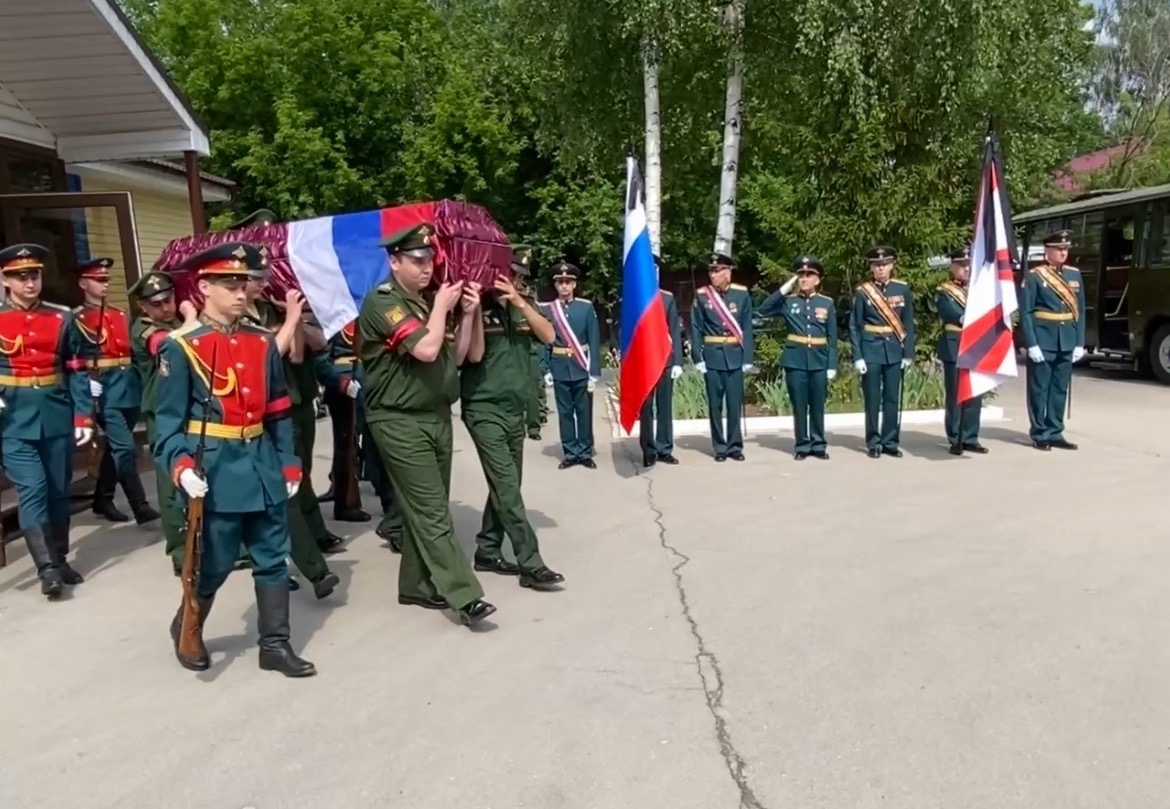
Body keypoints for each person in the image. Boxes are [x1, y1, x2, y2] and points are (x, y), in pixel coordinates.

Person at [155, 241, 315, 677]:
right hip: (216, 467)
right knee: (217, 561)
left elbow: (279, 409)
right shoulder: (181, 347)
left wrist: (289, 462)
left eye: (244, 283)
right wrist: (182, 467)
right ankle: (188, 622)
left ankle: (275, 645)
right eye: (230, 284)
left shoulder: (262, 342)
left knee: (272, 556)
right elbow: (166, 426)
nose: (241, 292)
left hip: (262, 461)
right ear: (204, 286)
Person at [358, 222, 495, 627]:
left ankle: (416, 585)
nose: (426, 268)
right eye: (417, 261)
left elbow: (455, 358)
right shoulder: (384, 302)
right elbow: (426, 348)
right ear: (394, 261)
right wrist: (441, 308)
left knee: (424, 507)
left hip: (434, 416)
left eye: (430, 260)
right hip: (398, 420)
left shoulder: (420, 304)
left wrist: (467, 315)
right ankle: (465, 596)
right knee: (434, 511)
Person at [461, 246, 564, 590]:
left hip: (514, 410)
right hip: (484, 407)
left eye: (520, 276)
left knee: (507, 485)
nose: (515, 280)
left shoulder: (524, 306)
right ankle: (531, 563)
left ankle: (487, 549)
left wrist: (520, 303)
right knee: (507, 487)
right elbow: (469, 355)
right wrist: (474, 307)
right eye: (511, 273)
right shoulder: (477, 304)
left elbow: (549, 335)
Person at [241, 255, 340, 598]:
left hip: (283, 405)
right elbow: (265, 355)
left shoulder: (268, 310)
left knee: (290, 485)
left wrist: (289, 317)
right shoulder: (233, 317)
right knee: (276, 494)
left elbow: (296, 354)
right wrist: (292, 318)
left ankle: (289, 562)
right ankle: (302, 567)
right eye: (256, 277)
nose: (262, 283)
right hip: (250, 415)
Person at [0, 243, 92, 597]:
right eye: (20, 276)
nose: (29, 282)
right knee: (33, 489)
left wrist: (83, 416)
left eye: (34, 275)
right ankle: (47, 568)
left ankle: (60, 556)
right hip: (13, 419)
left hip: (56, 414)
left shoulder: (61, 317)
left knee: (57, 491)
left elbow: (77, 368)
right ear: (5, 280)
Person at [72, 257, 160, 525]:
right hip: (104, 389)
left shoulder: (120, 314)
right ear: (83, 283)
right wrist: (87, 383)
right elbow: (73, 357)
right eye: (98, 280)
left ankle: (103, 498)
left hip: (128, 386)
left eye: (106, 280)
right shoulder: (76, 318)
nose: (104, 284)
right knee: (124, 449)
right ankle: (140, 507)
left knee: (114, 447)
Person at [129, 271, 192, 575]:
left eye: (168, 299)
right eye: (157, 304)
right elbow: (167, 345)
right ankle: (181, 553)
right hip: (163, 414)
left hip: (190, 409)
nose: (165, 307)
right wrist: (194, 320)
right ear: (144, 307)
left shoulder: (179, 324)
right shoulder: (144, 327)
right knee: (171, 485)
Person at [758, 255, 838, 460]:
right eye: (801, 275)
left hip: (819, 360)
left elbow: (832, 336)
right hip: (795, 361)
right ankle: (802, 445)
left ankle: (818, 444)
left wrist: (832, 364)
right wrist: (786, 287)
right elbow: (764, 309)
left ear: (817, 280)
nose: (804, 278)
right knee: (800, 405)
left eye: (809, 275)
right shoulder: (789, 302)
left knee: (818, 405)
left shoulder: (826, 303)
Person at [1020, 229, 1084, 451]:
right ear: (1047, 252)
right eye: (1059, 249)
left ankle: (1056, 431)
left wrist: (1079, 342)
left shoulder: (1074, 275)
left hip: (1066, 339)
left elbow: (1080, 311)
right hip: (1044, 339)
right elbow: (1026, 312)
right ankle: (1040, 432)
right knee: (1039, 388)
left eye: (1065, 249)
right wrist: (1031, 344)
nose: (1063, 253)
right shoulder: (1035, 276)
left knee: (1059, 389)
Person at [849, 245, 915, 458]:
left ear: (892, 265)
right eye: (877, 265)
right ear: (871, 267)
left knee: (892, 398)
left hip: (894, 349)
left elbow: (908, 324)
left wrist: (908, 353)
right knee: (872, 397)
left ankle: (891, 441)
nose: (881, 268)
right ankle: (874, 442)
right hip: (871, 349)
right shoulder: (863, 292)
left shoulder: (902, 289)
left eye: (884, 264)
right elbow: (854, 325)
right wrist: (858, 355)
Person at [691, 251, 754, 462]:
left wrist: (748, 358)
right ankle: (719, 447)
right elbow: (696, 327)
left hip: (735, 355)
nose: (713, 275)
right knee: (715, 405)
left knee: (734, 404)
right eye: (711, 271)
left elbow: (746, 327)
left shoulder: (742, 294)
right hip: (713, 356)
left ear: (728, 272)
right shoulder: (702, 295)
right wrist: (697, 357)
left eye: (717, 271)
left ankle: (735, 446)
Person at [541, 260, 601, 469]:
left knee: (584, 411)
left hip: (581, 366)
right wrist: (545, 367)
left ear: (574, 285)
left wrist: (594, 371)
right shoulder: (549, 310)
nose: (564, 286)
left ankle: (584, 452)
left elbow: (593, 338)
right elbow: (545, 340)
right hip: (559, 366)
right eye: (560, 282)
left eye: (568, 282)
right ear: (556, 285)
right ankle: (570, 452)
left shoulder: (586, 308)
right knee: (565, 412)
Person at [936, 246, 987, 455]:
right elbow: (948, 312)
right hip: (955, 342)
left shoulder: (980, 289)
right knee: (956, 393)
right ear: (952, 267)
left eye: (968, 265)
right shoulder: (945, 290)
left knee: (975, 392)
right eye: (961, 265)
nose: (966, 269)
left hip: (976, 343)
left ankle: (971, 437)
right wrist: (965, 318)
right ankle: (955, 437)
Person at [639, 254, 684, 467]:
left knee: (664, 407)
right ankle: (648, 450)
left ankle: (664, 448)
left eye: (654, 269)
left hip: (664, 360)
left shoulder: (667, 298)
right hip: (643, 362)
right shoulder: (634, 297)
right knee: (646, 409)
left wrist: (677, 362)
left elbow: (675, 330)